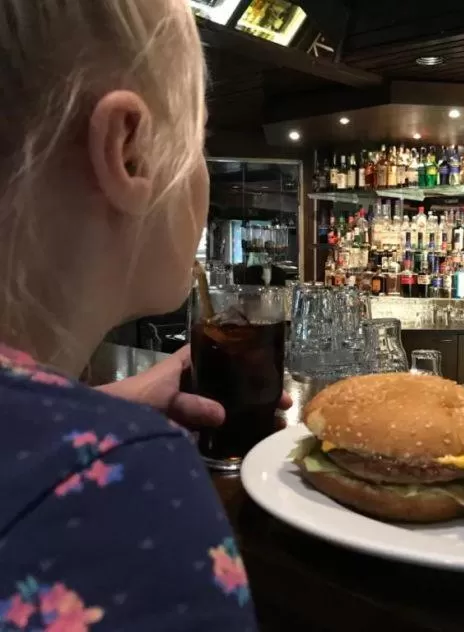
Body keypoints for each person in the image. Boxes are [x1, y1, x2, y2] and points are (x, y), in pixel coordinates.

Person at [0, 2, 285, 629]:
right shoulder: (121, 485)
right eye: (199, 141)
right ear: (129, 151)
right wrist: (113, 440)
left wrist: (112, 406)